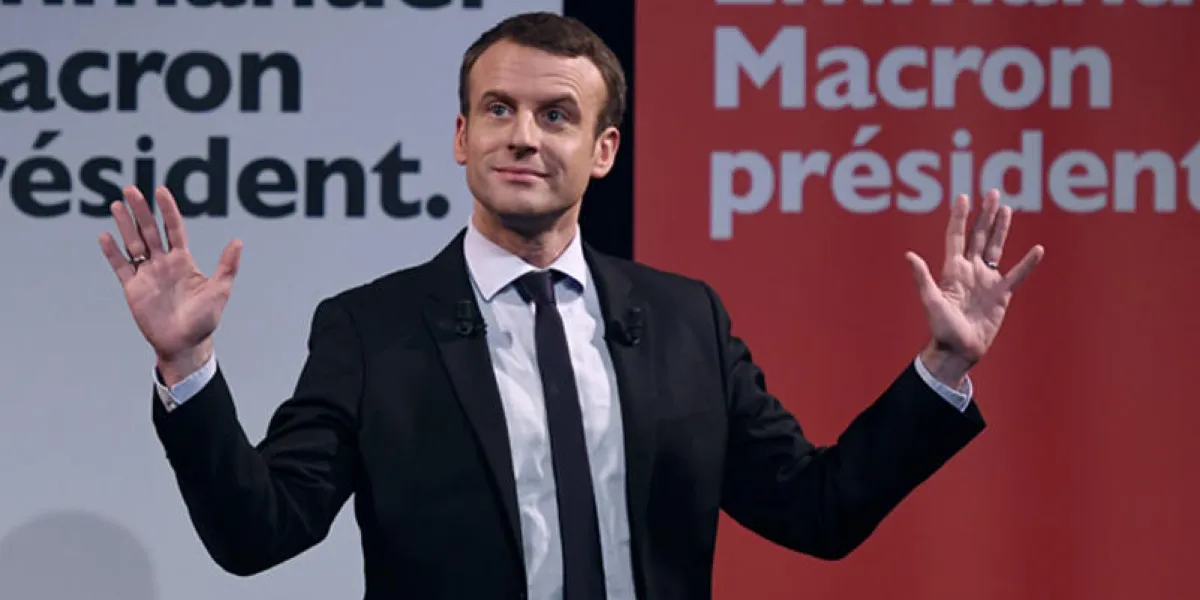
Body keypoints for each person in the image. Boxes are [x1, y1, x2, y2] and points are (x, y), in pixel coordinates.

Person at [97, 11, 1044, 600]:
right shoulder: (372, 327)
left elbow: (818, 512)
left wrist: (943, 369)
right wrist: (188, 370)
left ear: (603, 151)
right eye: (498, 111)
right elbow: (260, 535)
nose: (524, 137)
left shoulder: (686, 321)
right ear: (461, 139)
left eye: (556, 115)